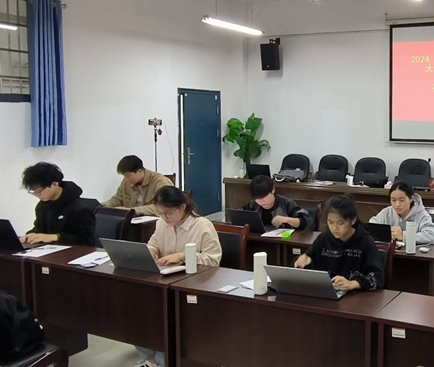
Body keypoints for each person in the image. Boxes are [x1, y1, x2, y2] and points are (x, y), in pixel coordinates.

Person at [136, 186, 221, 367]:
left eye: (168, 213)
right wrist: (152, 251)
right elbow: (153, 243)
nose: (165, 218)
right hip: (164, 282)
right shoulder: (161, 224)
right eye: (160, 213)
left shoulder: (202, 225)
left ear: (182, 207)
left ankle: (163, 360)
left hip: (194, 285)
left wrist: (183, 256)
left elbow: (213, 260)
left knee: (166, 321)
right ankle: (152, 357)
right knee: (139, 312)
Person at [294, 195, 384, 291]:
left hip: (355, 296)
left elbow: (378, 279)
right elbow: (310, 264)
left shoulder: (366, 242)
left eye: (340, 223)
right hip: (327, 292)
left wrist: (353, 283)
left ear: (353, 220)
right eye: (330, 222)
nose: (334, 228)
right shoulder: (324, 239)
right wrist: (303, 261)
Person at [20, 162, 95, 246]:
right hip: (49, 250)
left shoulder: (80, 208)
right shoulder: (43, 205)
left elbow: (86, 240)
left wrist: (56, 237)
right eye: (34, 192)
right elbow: (40, 228)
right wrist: (32, 234)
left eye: (39, 191)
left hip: (72, 252)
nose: (37, 195)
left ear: (55, 184)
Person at [369, 181, 434, 244]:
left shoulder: (422, 215)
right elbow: (371, 228)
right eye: (393, 200)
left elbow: (431, 236)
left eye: (401, 200)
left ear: (411, 199)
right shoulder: (387, 212)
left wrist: (403, 235)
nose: (397, 204)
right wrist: (386, 233)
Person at [102, 155, 173, 216]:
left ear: (140, 171)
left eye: (128, 176)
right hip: (131, 220)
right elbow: (117, 199)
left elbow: (164, 206)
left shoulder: (160, 181)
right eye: (124, 176)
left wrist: (133, 210)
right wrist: (103, 206)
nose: (126, 179)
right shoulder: (126, 181)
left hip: (152, 221)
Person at [242, 175, 312, 230]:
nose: (261, 202)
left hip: (283, 242)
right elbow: (240, 217)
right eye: (257, 198)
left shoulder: (287, 203)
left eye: (264, 197)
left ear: (273, 190)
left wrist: (286, 219)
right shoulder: (253, 205)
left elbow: (306, 221)